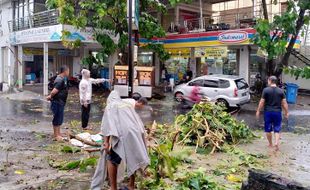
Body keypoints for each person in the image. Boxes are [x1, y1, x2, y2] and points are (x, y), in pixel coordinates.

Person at [91, 91, 149, 190]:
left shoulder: (110, 106)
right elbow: (136, 119)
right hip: (135, 132)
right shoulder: (126, 104)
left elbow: (107, 126)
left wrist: (106, 142)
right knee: (133, 158)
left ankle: (113, 187)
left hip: (123, 134)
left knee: (112, 159)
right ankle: (131, 185)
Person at [256, 76, 289, 151]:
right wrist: (286, 112)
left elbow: (262, 102)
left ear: (270, 81)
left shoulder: (266, 90)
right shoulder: (281, 91)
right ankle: (276, 143)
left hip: (268, 112)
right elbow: (284, 103)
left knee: (268, 129)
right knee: (277, 128)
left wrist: (258, 110)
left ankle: (270, 144)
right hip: (277, 112)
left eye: (268, 80)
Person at [46, 65, 70, 141]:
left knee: (60, 118)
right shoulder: (59, 79)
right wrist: (50, 96)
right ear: (65, 71)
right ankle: (56, 135)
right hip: (57, 101)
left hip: (61, 102)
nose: (69, 72)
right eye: (68, 71)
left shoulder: (64, 78)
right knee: (57, 118)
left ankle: (58, 133)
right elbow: (55, 90)